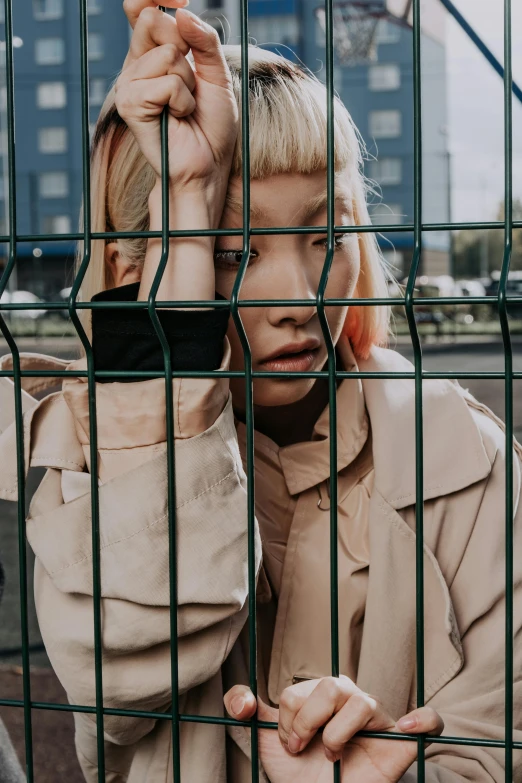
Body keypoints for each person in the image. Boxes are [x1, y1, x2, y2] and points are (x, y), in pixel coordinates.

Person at [0, 1, 521, 780]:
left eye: (326, 236)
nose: (298, 297)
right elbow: (127, 675)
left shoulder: (466, 456)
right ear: (135, 269)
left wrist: (399, 775)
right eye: (234, 252)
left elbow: (503, 732)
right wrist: (184, 201)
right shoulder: (98, 461)